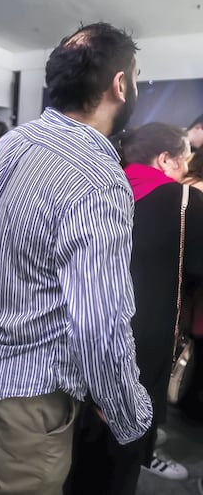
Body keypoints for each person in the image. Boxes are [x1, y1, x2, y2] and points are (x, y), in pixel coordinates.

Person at [0, 22, 152, 495]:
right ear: (120, 85)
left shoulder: (9, 145)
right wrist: (128, 408)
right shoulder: (98, 179)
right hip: (33, 390)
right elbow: (98, 320)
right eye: (137, 77)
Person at [64, 123, 201, 493]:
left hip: (78, 330)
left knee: (78, 437)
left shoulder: (94, 190)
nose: (186, 169)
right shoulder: (185, 201)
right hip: (144, 338)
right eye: (183, 160)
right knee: (123, 450)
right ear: (165, 158)